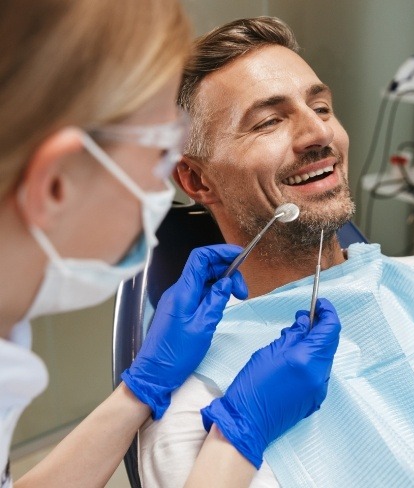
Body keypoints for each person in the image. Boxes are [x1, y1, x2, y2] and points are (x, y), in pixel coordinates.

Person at [139, 16, 414, 487]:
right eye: (268, 122)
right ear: (198, 180)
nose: (318, 135)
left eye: (322, 108)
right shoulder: (199, 418)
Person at [0, 4, 342, 488]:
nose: (319, 132)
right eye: (160, 149)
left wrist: (139, 391)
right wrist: (236, 437)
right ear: (55, 185)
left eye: (323, 108)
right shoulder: (190, 415)